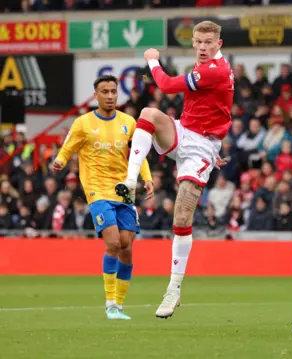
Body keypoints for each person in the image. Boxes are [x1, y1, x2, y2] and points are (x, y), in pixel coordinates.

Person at [116, 20, 234, 319]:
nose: (203, 47)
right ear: (193, 43)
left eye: (209, 42)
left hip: (202, 148)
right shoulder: (203, 64)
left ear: (219, 44)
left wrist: (152, 60)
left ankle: (174, 288)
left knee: (181, 214)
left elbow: (166, 85)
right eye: (198, 41)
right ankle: (130, 181)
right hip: (185, 131)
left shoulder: (214, 70)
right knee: (148, 114)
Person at [53, 75, 154, 320]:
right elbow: (68, 147)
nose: (110, 96)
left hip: (125, 190)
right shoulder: (83, 123)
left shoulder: (128, 122)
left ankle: (119, 305)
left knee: (127, 249)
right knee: (113, 244)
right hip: (97, 190)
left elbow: (138, 153)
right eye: (105, 92)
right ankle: (109, 303)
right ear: (95, 95)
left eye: (113, 91)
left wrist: (147, 177)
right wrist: (60, 160)